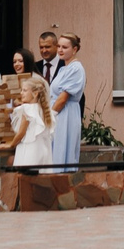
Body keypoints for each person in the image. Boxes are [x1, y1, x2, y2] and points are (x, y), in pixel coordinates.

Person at [47, 33, 86, 165]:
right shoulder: (64, 68)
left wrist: (50, 116)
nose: (60, 50)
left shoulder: (76, 69)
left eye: (64, 47)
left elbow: (63, 98)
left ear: (74, 49)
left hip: (65, 114)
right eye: (58, 46)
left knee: (62, 150)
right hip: (59, 113)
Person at [9, 75, 54, 168]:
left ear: (35, 93)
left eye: (25, 90)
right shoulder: (44, 110)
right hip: (42, 150)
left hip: (29, 151)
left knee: (26, 178)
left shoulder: (27, 109)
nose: (21, 93)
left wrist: (11, 144)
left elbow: (21, 133)